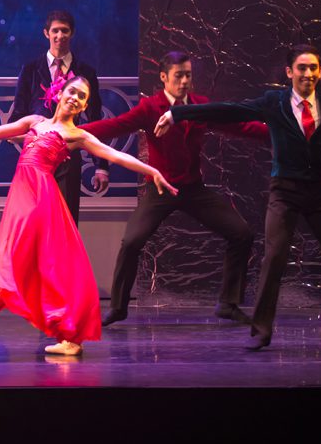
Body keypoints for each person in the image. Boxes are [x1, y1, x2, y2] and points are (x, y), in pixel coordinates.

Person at [158, 44, 321, 350]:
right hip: (285, 192)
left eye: (314, 68)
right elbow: (230, 109)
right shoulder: (274, 102)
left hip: (320, 193)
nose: (308, 74)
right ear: (290, 72)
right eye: (302, 68)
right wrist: (178, 112)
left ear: (320, 72)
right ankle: (261, 331)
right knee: (275, 257)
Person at [0, 76, 177, 356]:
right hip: (21, 192)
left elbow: (115, 155)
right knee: (24, 257)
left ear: (84, 106)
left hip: (40, 196)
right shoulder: (35, 122)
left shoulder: (77, 135)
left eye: (81, 97)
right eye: (72, 91)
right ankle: (67, 337)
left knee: (20, 254)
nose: (75, 98)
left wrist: (152, 171)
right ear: (59, 93)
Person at [82, 51, 265, 326]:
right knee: (131, 242)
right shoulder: (150, 107)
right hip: (160, 189)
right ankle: (118, 308)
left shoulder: (200, 105)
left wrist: (278, 132)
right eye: (178, 76)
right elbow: (114, 126)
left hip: (193, 189)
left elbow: (238, 126)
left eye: (188, 75)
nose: (184, 81)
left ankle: (228, 303)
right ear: (164, 77)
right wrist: (68, 132)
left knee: (242, 234)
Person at [11, 10, 105, 222]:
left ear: (72, 33)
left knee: (66, 218)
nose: (59, 36)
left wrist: (101, 167)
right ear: (46, 33)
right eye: (55, 31)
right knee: (35, 219)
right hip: (37, 156)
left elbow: (95, 120)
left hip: (68, 154)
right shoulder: (30, 70)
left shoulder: (86, 72)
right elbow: (17, 114)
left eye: (65, 31)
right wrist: (27, 137)